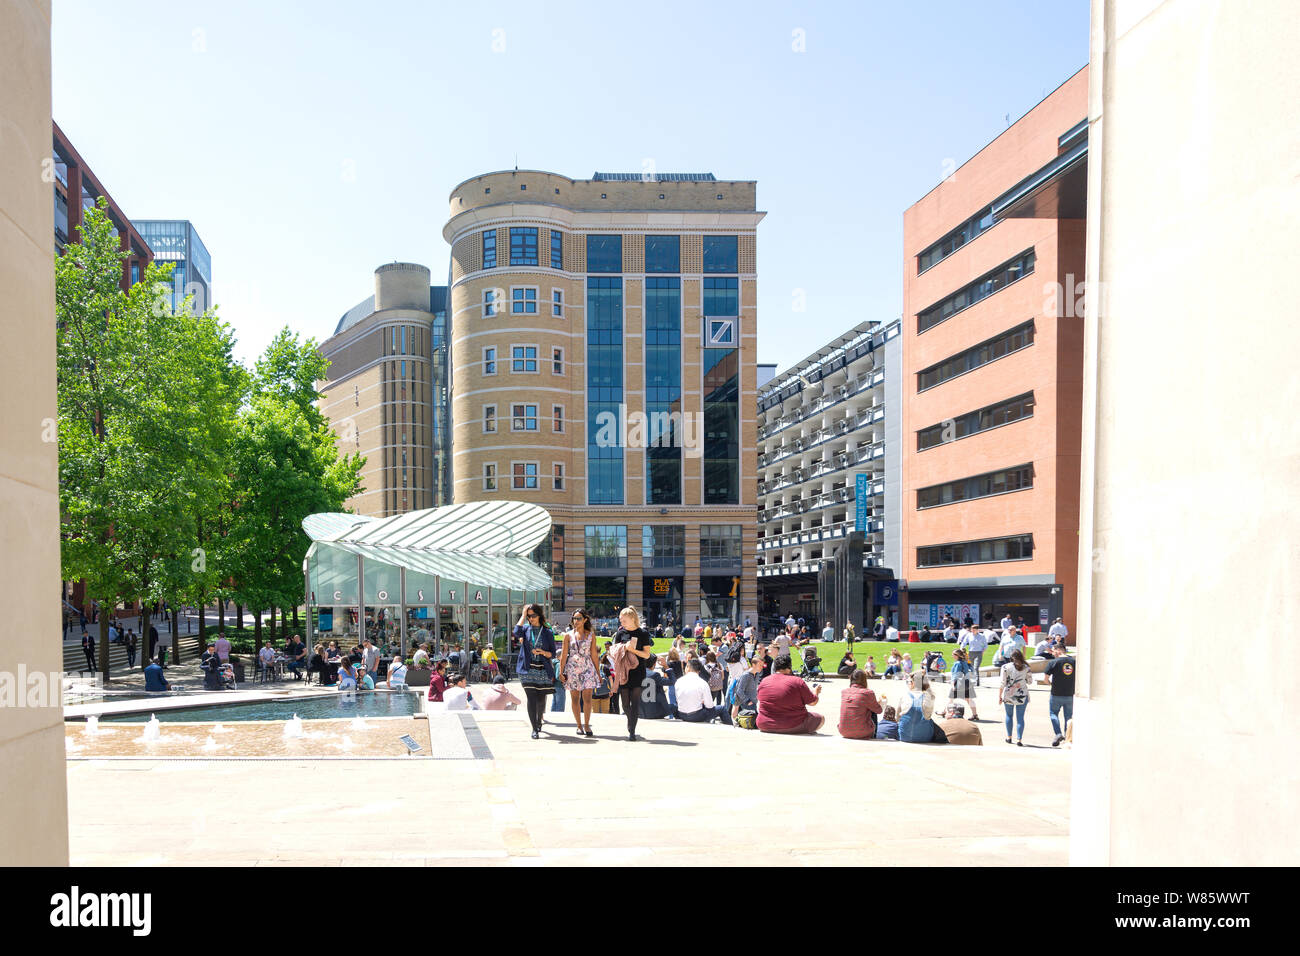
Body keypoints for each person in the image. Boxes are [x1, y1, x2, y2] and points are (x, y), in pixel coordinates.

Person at [515, 603, 557, 739]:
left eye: (533, 615)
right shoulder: (526, 629)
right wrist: (522, 615)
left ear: (539, 615)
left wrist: (543, 652)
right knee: (531, 698)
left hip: (542, 669)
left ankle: (539, 721)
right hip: (527, 669)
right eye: (529, 616)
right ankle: (534, 728)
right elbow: (516, 632)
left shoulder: (547, 632)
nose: (531, 618)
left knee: (540, 698)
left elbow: (553, 653)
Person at [612, 606, 654, 741]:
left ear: (632, 619)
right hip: (624, 670)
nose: (621, 623)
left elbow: (647, 655)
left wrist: (633, 650)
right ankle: (631, 721)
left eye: (623, 620)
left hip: (638, 670)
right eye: (620, 620)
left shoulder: (643, 633)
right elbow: (614, 651)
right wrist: (621, 648)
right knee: (625, 704)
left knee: (635, 703)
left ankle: (632, 731)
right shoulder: (620, 633)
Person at [558, 608, 601, 737]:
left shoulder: (590, 635)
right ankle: (578, 725)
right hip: (572, 668)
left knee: (587, 698)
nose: (575, 621)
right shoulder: (568, 635)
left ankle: (587, 725)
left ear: (585, 620)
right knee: (575, 698)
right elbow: (564, 654)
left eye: (578, 619)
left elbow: (594, 655)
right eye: (574, 619)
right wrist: (561, 671)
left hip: (587, 667)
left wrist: (598, 673)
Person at [757, 655, 824, 734]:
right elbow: (813, 702)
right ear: (790, 666)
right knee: (821, 718)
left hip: (764, 724)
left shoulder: (764, 681)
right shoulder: (797, 681)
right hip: (792, 725)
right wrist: (816, 692)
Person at [676, 660, 732, 724]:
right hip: (696, 715)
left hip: (681, 714)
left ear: (688, 668)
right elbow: (710, 706)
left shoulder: (678, 681)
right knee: (721, 708)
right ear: (699, 670)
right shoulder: (702, 683)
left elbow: (679, 700)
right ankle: (731, 729)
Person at [1043, 645, 1076, 747]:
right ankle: (1067, 737)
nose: (1053, 653)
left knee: (1053, 714)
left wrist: (1051, 684)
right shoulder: (1074, 662)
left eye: (1054, 651)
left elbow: (1046, 679)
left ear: (1059, 650)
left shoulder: (1053, 662)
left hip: (1056, 693)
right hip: (1070, 694)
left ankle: (1058, 734)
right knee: (1068, 717)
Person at [999, 649, 1033, 746]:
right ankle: (1019, 739)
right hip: (1022, 695)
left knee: (1009, 716)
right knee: (1020, 718)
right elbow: (1030, 681)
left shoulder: (1005, 667)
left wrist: (999, 696)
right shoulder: (1026, 667)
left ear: (1011, 657)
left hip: (1009, 694)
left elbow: (1002, 683)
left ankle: (1009, 737)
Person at [838, 669, 883, 739]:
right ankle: (874, 736)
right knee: (873, 711)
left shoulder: (844, 692)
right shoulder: (868, 693)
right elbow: (879, 710)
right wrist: (878, 703)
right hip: (862, 732)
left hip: (843, 731)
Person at [897, 672, 941, 743]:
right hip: (924, 737)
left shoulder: (905, 695)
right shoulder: (929, 696)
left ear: (913, 683)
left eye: (909, 682)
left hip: (904, 736)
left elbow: (897, 717)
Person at [731, 654, 765, 725]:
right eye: (760, 665)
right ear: (753, 664)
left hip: (753, 701)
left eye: (762, 665)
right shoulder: (746, 675)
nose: (762, 667)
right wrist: (747, 701)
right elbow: (739, 690)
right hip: (746, 702)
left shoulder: (757, 674)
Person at [948, 648, 979, 720]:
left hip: (958, 683)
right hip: (967, 682)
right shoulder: (965, 662)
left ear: (957, 656)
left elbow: (955, 675)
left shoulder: (957, 663)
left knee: (951, 699)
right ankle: (975, 715)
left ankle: (948, 714)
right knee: (969, 699)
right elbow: (972, 670)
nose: (952, 656)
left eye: (953, 654)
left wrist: (952, 685)